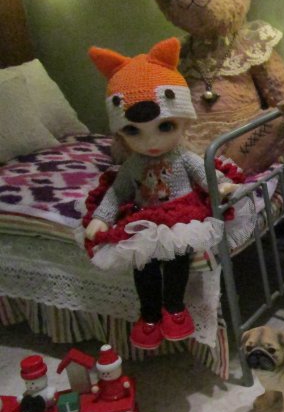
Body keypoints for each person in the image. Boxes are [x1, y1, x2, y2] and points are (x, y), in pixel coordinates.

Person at [83, 38, 238, 350]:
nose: (151, 142)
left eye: (165, 127)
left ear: (182, 121)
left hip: (181, 214)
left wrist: (219, 185)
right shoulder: (132, 165)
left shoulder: (183, 156)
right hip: (146, 217)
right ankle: (150, 315)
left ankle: (175, 308)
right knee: (144, 262)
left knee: (177, 256)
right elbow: (117, 193)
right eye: (133, 132)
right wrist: (102, 217)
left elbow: (204, 173)